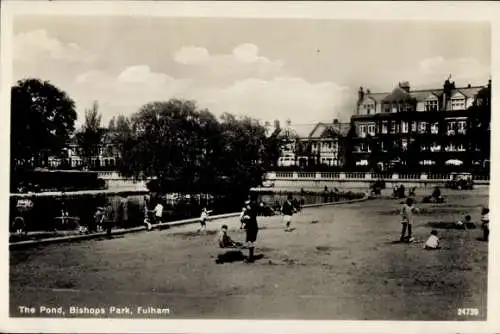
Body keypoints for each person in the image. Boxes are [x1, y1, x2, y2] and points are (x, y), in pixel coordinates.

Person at [242, 193, 259, 263]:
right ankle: (251, 256)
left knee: (249, 241)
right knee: (251, 241)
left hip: (250, 224)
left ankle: (250, 257)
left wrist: (244, 218)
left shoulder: (249, 205)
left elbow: (247, 216)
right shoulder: (256, 205)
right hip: (255, 224)